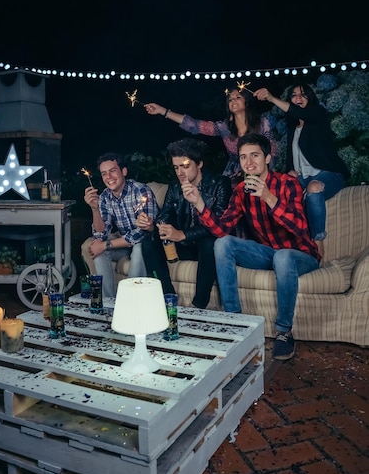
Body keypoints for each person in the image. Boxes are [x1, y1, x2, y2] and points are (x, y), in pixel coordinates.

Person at [181, 133, 320, 361]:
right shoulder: (240, 191)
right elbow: (221, 230)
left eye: (254, 155)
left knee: (283, 257)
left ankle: (284, 332)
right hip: (268, 254)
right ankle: (235, 322)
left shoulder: (288, 183)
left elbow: (301, 228)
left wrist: (268, 197)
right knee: (223, 243)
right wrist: (199, 203)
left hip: (301, 255)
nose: (248, 162)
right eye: (243, 157)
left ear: (267, 158)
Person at [254, 84, 350, 259]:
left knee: (313, 188)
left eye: (303, 95)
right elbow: (294, 158)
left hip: (329, 174)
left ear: (310, 98)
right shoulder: (293, 128)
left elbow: (299, 113)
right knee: (277, 189)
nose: (298, 98)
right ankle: (279, 246)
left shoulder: (318, 115)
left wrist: (272, 98)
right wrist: (290, 172)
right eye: (294, 95)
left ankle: (318, 243)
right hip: (302, 178)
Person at [136, 138, 231, 309]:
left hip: (206, 247)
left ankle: (199, 304)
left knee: (208, 242)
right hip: (184, 245)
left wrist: (182, 234)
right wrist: (154, 225)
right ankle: (167, 297)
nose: (180, 172)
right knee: (148, 241)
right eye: (176, 167)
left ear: (199, 163)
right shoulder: (174, 188)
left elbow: (218, 225)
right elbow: (164, 214)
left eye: (185, 166)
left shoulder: (220, 184)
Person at [144, 87, 277, 186]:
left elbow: (272, 151)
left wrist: (268, 174)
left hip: (260, 171)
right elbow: (195, 125)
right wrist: (163, 111)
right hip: (234, 176)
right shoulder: (225, 128)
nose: (233, 101)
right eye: (230, 99)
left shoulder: (261, 123)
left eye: (238, 97)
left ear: (246, 102)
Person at [84, 152, 159, 298]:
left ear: (123, 171)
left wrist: (105, 245)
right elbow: (100, 234)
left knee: (138, 248)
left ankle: (130, 300)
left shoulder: (140, 190)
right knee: (97, 251)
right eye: (104, 173)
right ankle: (108, 303)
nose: (109, 177)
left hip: (148, 242)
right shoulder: (105, 196)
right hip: (125, 242)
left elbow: (141, 233)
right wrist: (95, 208)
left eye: (112, 171)